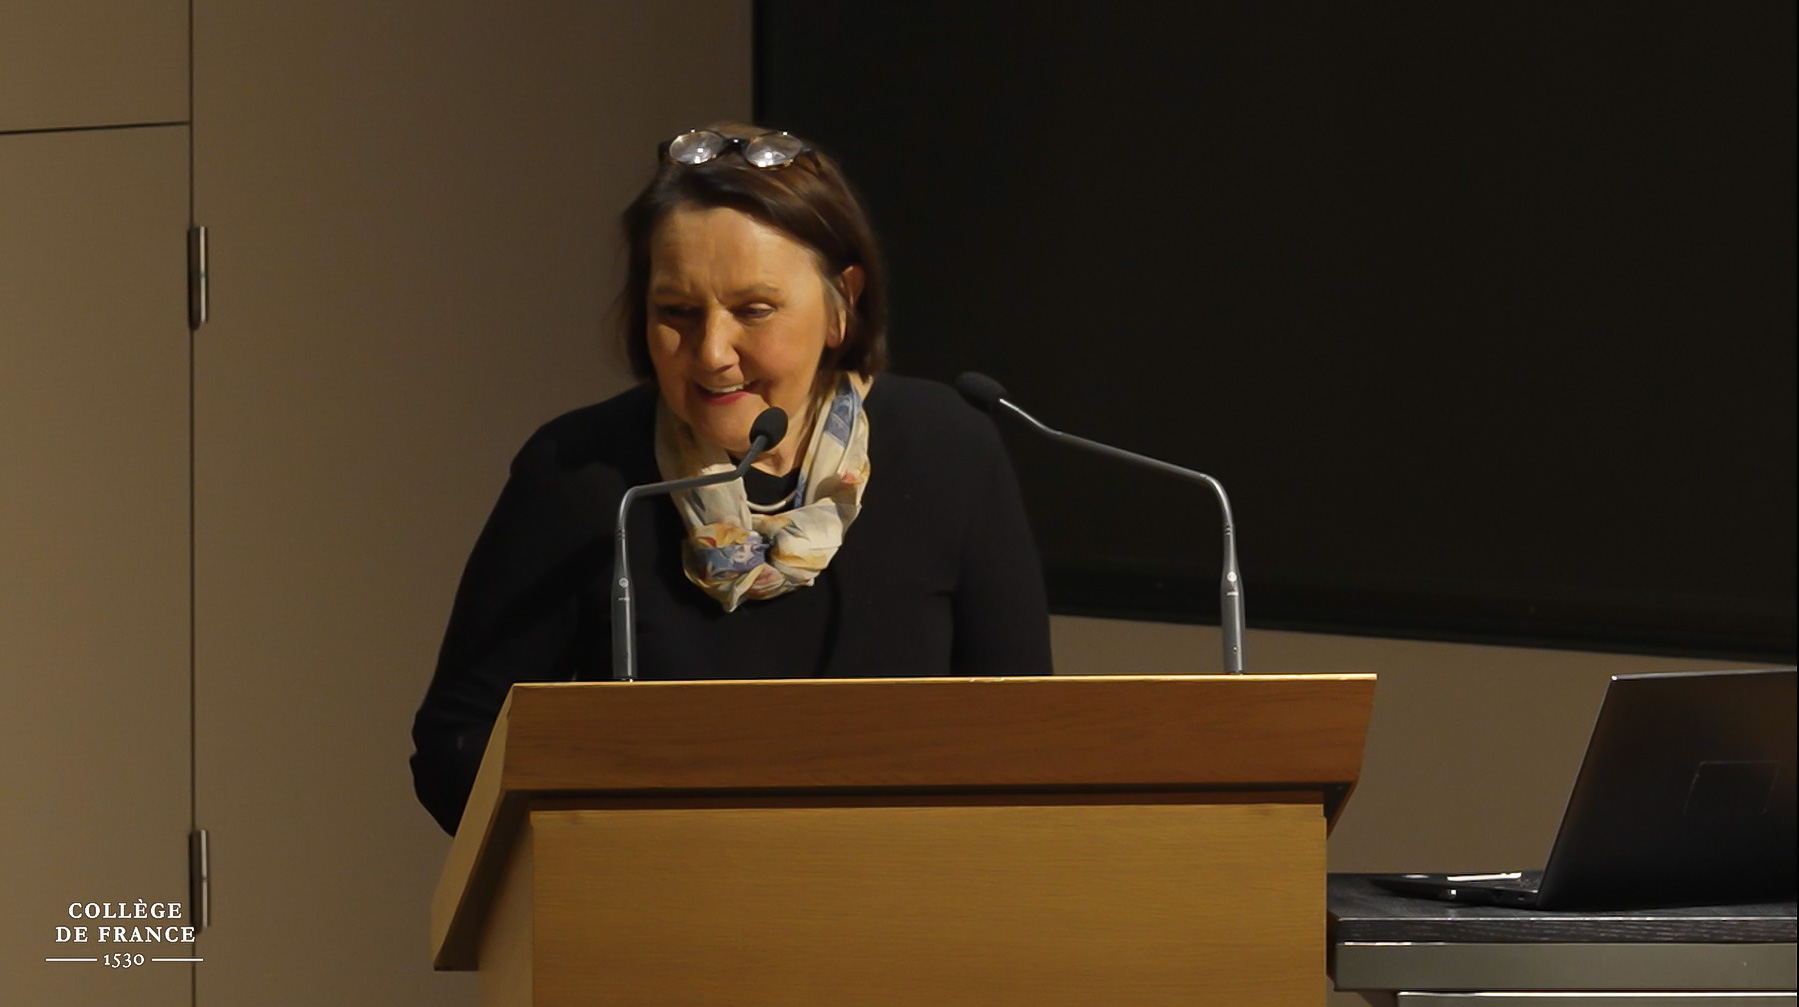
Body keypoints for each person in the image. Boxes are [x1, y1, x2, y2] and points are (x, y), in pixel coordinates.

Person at [409, 124, 1053, 835]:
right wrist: (596, 852)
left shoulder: (946, 450)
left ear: (842, 303)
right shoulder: (582, 474)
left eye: (753, 310)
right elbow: (457, 743)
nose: (712, 353)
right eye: (677, 313)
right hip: (651, 896)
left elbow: (1028, 737)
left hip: (906, 893)